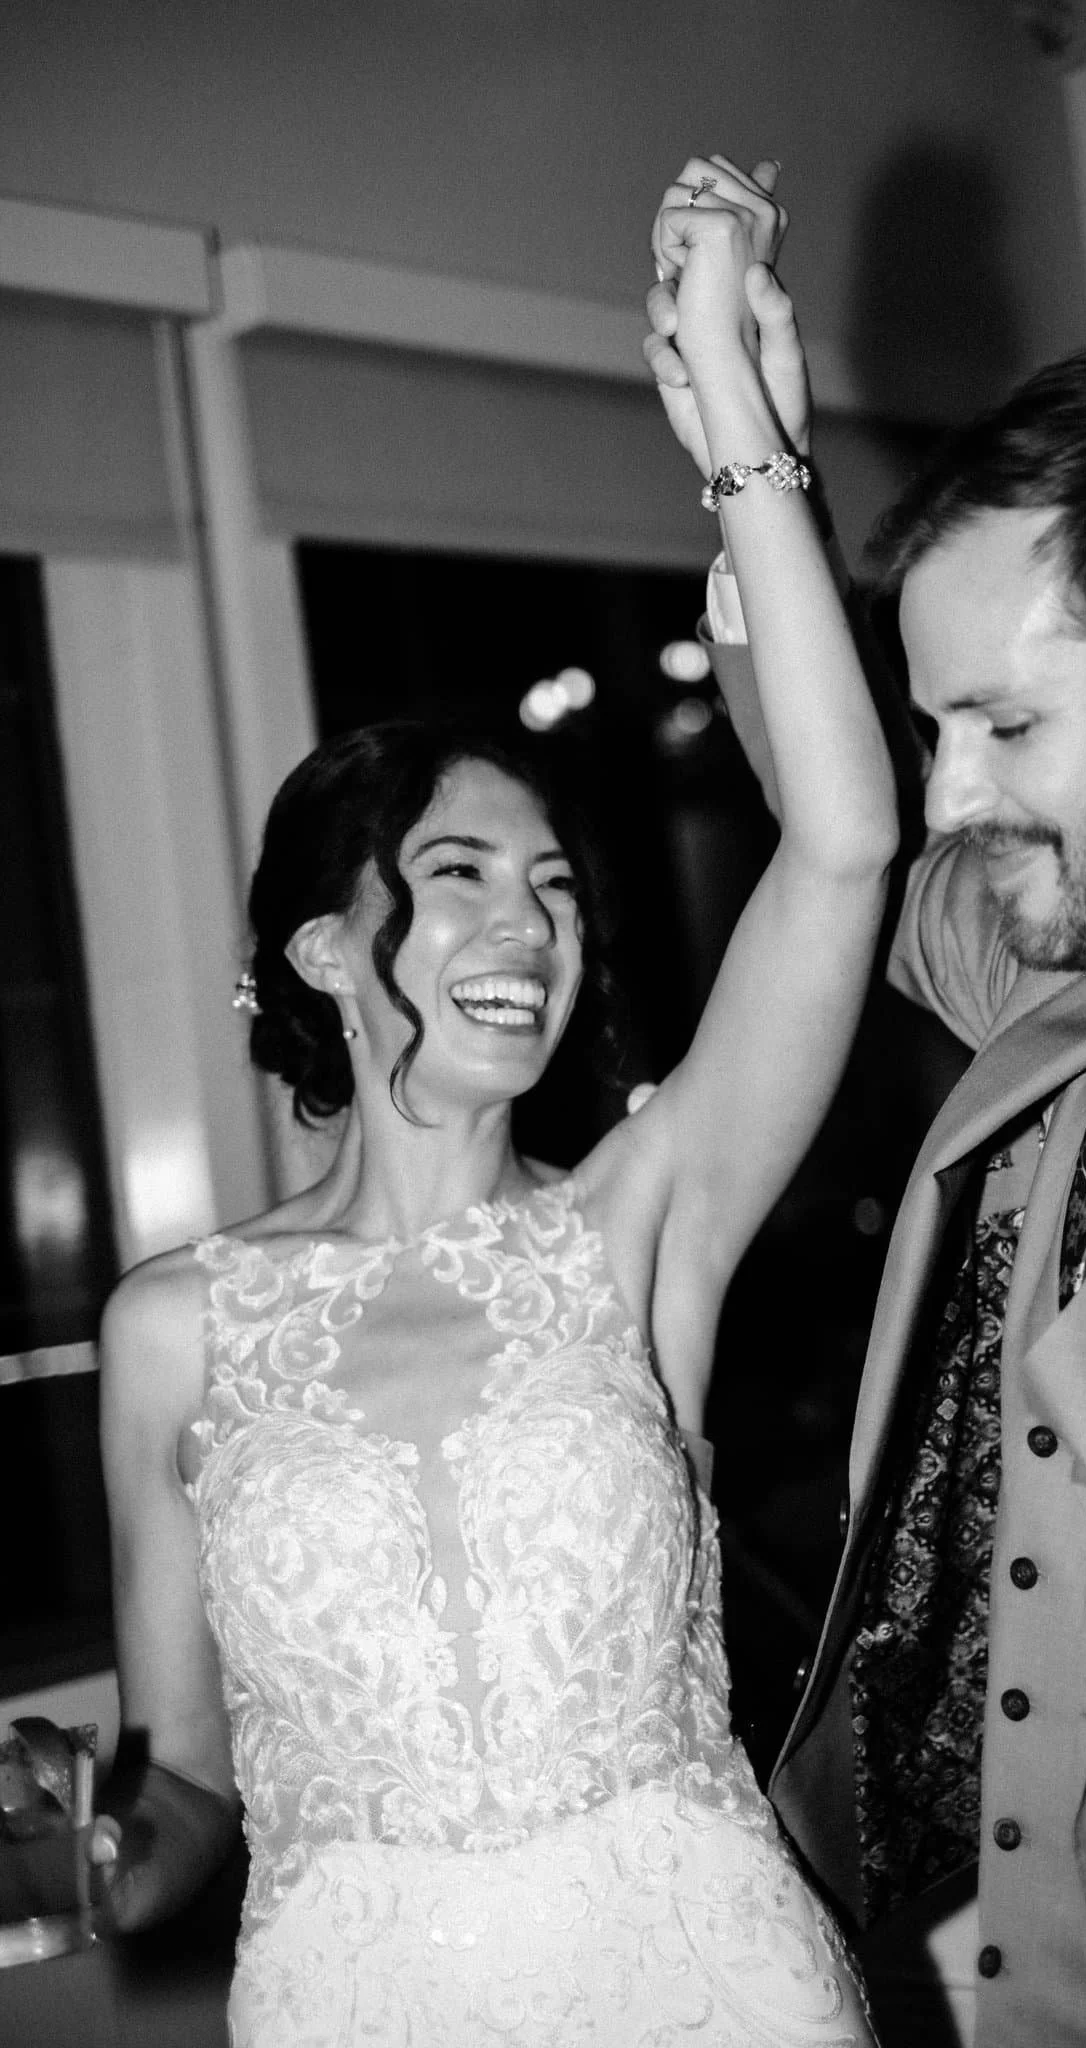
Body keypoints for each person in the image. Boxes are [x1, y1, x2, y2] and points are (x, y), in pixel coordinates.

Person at [90, 178, 897, 2048]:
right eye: (457, 872)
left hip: (715, 1992)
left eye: (551, 884)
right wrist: (84, 1854)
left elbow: (848, 844)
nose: (526, 923)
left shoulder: (638, 1221)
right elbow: (188, 1789)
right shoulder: (171, 1330)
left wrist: (733, 416)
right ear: (320, 945)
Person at [646, 156, 1086, 2046]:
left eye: (1005, 723)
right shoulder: (1046, 973)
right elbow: (847, 823)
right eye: (938, 719)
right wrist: (752, 459)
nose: (952, 792)